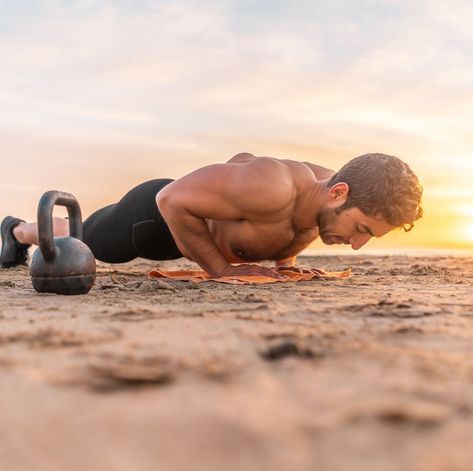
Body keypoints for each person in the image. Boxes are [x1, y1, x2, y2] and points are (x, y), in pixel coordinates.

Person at [0, 152, 423, 280]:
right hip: (154, 218)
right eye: (361, 229)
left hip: (201, 224)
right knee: (84, 239)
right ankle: (17, 231)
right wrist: (221, 269)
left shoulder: (325, 196)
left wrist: (285, 267)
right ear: (338, 193)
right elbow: (171, 200)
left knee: (84, 235)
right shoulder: (274, 186)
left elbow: (243, 162)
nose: (356, 244)